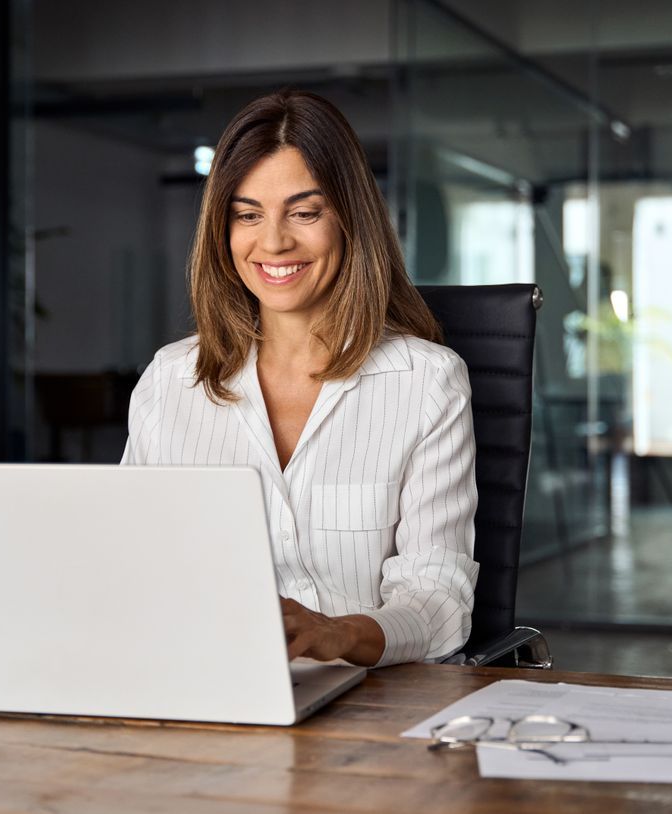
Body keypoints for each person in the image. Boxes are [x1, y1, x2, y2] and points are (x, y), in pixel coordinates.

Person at [121, 90, 477, 668]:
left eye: (305, 212)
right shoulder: (171, 381)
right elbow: (128, 563)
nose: (274, 241)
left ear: (349, 220)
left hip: (368, 703)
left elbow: (439, 600)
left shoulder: (427, 383)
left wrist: (341, 634)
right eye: (247, 214)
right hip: (204, 683)